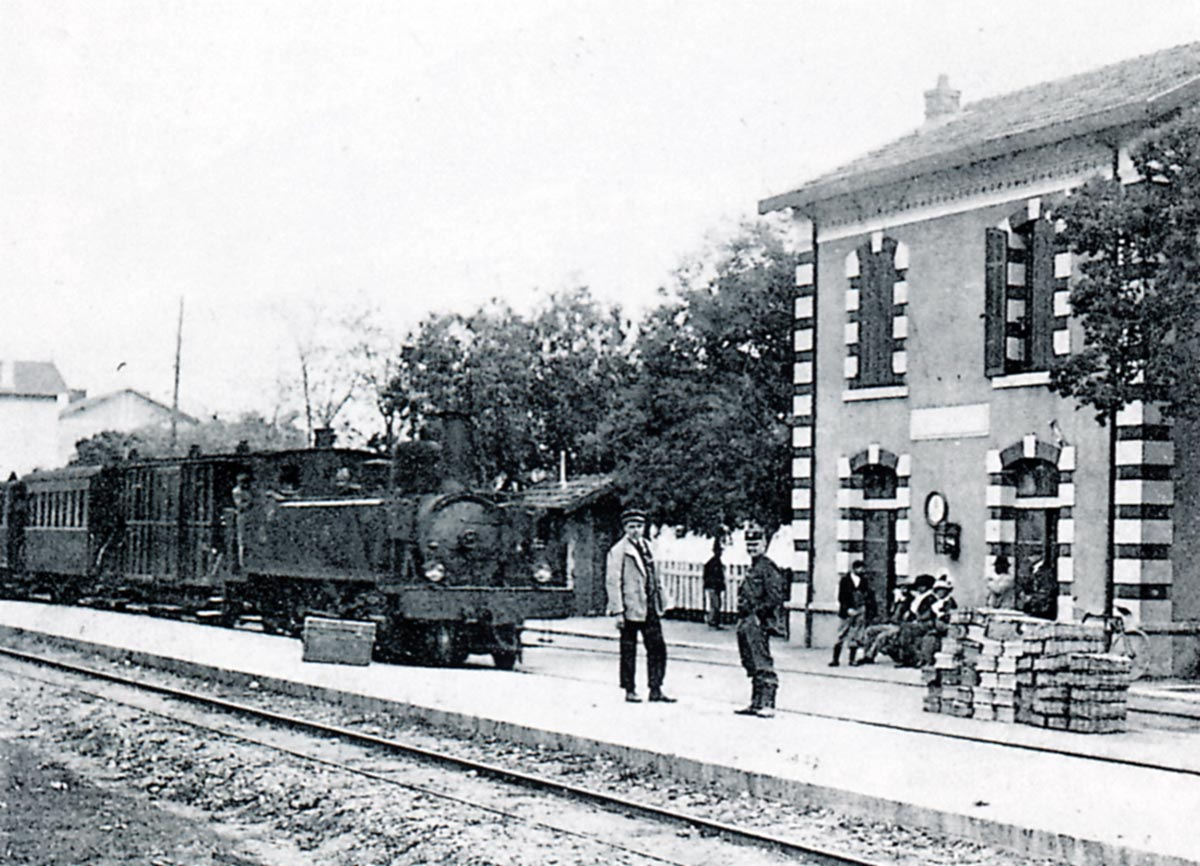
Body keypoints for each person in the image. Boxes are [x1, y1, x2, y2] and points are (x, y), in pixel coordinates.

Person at [605, 507, 674, 703]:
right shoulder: (618, 551)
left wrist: (662, 600)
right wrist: (618, 611)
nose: (635, 530)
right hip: (630, 606)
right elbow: (613, 581)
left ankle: (656, 688)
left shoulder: (648, 547)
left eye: (639, 526)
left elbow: (655, 576)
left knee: (657, 647)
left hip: (649, 604)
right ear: (625, 528)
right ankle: (630, 689)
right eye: (631, 526)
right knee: (629, 650)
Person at [734, 524, 784, 717]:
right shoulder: (753, 567)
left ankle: (768, 704)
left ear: (764, 544)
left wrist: (759, 615)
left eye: (755, 544)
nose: (752, 548)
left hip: (757, 621)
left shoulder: (767, 567)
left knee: (762, 661)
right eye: (749, 545)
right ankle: (756, 702)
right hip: (746, 620)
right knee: (750, 661)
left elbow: (774, 597)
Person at [853, 577, 914, 666]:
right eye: (901, 587)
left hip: (901, 626)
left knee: (882, 636)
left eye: (905, 588)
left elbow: (909, 616)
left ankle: (870, 656)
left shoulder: (911, 601)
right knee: (870, 630)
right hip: (891, 624)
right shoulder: (898, 600)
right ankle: (866, 654)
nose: (903, 590)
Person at [830, 560, 875, 667]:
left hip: (860, 610)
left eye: (863, 568)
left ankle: (852, 659)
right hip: (847, 612)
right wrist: (847, 609)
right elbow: (841, 597)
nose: (862, 571)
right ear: (854, 569)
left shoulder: (864, 581)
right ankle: (835, 659)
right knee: (841, 634)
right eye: (860, 568)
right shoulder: (845, 580)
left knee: (856, 635)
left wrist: (864, 607)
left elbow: (867, 594)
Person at [702, 538, 726, 629]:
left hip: (716, 586)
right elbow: (708, 575)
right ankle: (712, 621)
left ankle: (715, 621)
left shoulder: (718, 562)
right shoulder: (712, 563)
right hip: (713, 586)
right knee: (715, 604)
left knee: (717, 603)